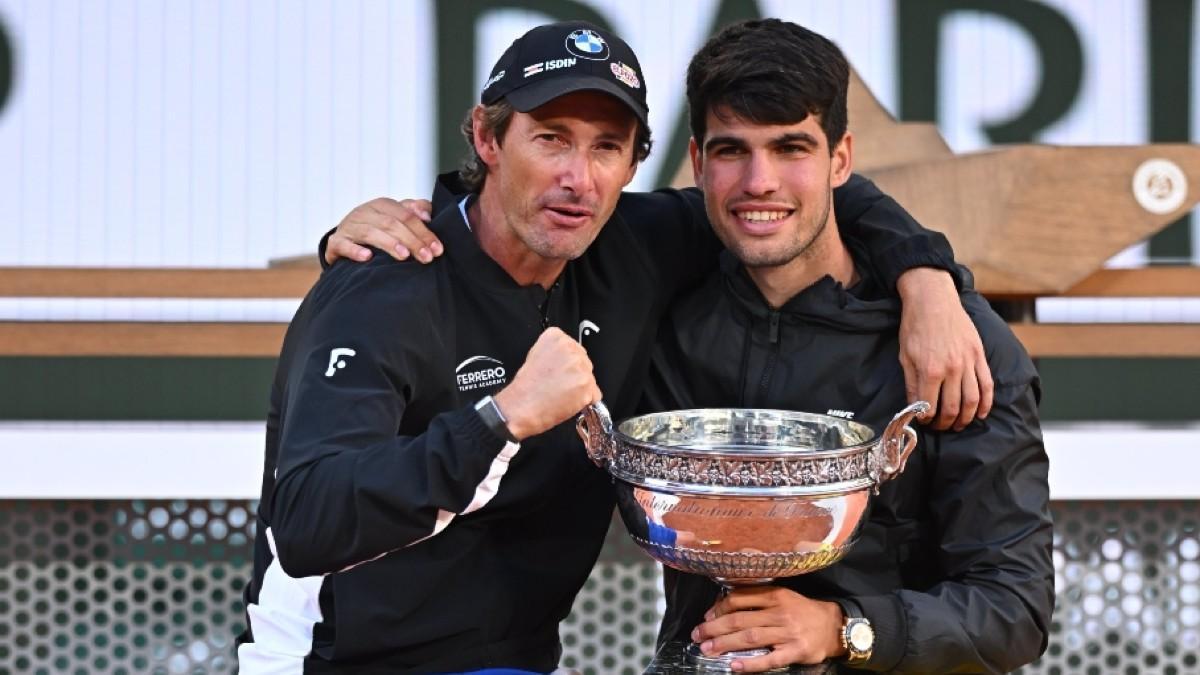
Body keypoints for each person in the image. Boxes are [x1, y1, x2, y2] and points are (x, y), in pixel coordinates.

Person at [241, 20, 990, 675]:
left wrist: (927, 278)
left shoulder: (632, 245)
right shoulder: (385, 286)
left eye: (607, 147)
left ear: (634, 166)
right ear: (486, 138)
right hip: (335, 660)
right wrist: (500, 419)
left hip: (516, 660)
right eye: (551, 139)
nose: (578, 178)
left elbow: (796, 193)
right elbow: (306, 522)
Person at [639, 19, 1053, 673]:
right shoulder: (659, 307)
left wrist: (844, 628)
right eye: (732, 151)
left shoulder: (955, 345)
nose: (759, 181)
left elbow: (1014, 609)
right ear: (697, 161)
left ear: (840, 159)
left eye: (791, 148)